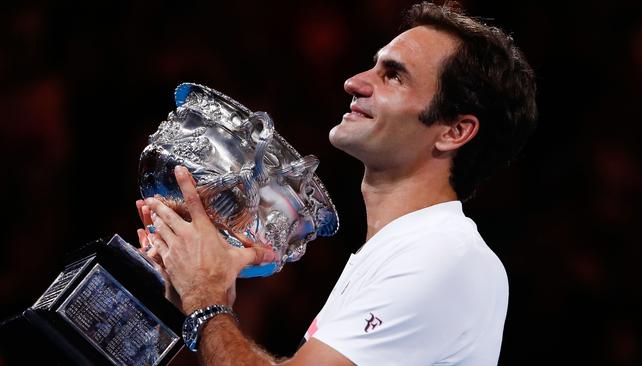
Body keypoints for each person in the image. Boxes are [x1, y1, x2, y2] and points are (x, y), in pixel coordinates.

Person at [136, 1, 537, 365]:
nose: (355, 82)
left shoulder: (446, 255)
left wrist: (207, 297)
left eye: (394, 76)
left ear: (455, 131)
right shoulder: (398, 251)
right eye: (374, 66)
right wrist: (184, 295)